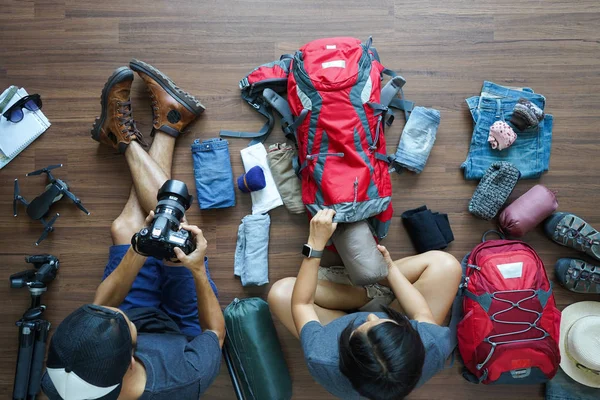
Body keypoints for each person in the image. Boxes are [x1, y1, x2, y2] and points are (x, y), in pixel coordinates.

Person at [41, 60, 225, 400]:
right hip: (183, 332)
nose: (108, 313)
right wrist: (197, 270)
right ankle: (143, 131)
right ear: (130, 362)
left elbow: (103, 305)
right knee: (173, 232)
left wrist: (139, 249)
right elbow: (215, 332)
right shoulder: (185, 379)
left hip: (136, 324)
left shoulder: (58, 381)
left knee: (127, 228)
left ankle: (146, 130)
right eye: (117, 321)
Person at [268, 209, 462, 400]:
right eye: (390, 324)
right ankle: (372, 292)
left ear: (345, 352)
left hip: (336, 320)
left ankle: (363, 292)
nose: (371, 317)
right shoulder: (432, 347)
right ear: (411, 340)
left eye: (359, 327)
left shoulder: (322, 355)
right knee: (447, 265)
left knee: (281, 293)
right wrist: (390, 269)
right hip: (393, 306)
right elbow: (420, 312)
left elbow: (302, 304)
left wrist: (314, 244)